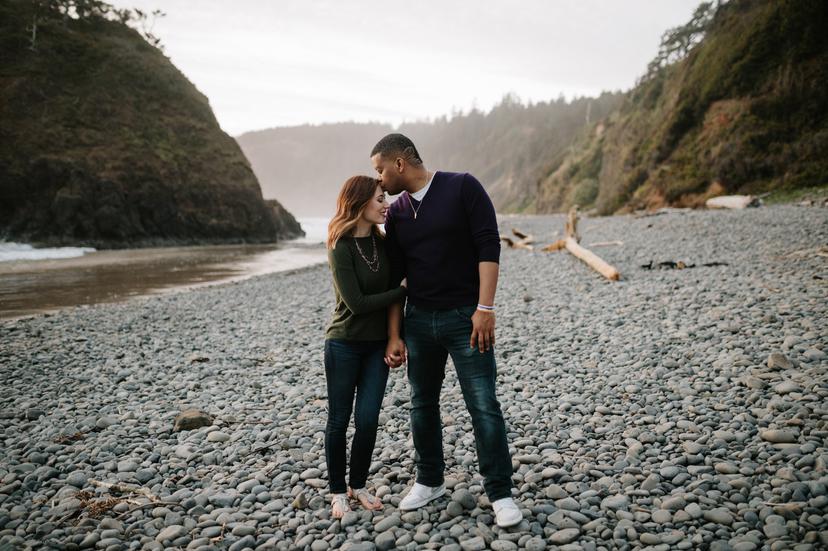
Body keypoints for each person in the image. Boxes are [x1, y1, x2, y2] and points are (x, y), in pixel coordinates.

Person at [371, 133, 523, 528]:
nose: (379, 180)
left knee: (483, 404)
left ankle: (500, 492)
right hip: (419, 320)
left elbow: (489, 246)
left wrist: (484, 309)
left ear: (400, 163)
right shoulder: (398, 214)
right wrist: (396, 333)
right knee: (421, 404)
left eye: (381, 169)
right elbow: (397, 276)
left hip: (465, 318)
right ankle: (429, 480)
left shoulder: (462, 186)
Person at [324, 175, 407, 519]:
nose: (385, 204)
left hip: (376, 348)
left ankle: (357, 485)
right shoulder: (339, 245)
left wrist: (393, 337)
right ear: (358, 203)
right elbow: (356, 303)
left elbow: (389, 302)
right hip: (343, 343)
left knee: (369, 420)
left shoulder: (384, 244)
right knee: (339, 420)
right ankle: (337, 492)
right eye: (379, 199)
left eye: (385, 198)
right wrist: (403, 289)